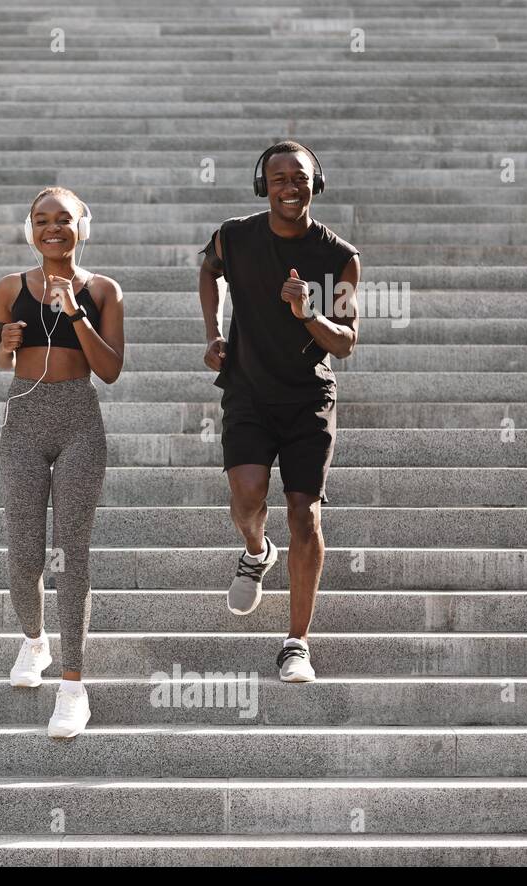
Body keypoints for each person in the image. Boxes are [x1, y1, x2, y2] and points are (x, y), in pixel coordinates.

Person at [197, 141, 361, 682]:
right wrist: (214, 333)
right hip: (247, 389)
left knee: (304, 514)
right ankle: (255, 551)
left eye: (300, 178)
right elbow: (208, 270)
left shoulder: (338, 256)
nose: (289, 187)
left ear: (317, 183)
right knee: (246, 496)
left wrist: (306, 311)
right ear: (261, 184)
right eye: (278, 178)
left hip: (308, 398)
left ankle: (296, 642)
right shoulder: (234, 235)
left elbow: (345, 343)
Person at [0, 187, 124, 737]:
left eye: (63, 219)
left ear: (82, 227)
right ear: (30, 230)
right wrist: (6, 345)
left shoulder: (104, 290)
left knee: (73, 551)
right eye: (42, 220)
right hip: (23, 421)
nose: (53, 229)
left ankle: (72, 685)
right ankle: (34, 641)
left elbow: (110, 370)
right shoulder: (7, 289)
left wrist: (77, 316)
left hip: (79, 423)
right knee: (24, 552)